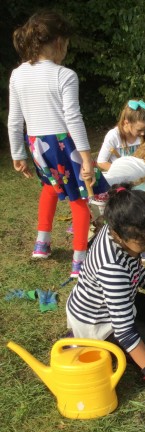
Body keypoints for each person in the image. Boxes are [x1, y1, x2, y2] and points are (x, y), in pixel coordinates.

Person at [8, 11, 109, 278]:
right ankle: (80, 261)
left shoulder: (17, 75)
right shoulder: (64, 75)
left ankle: (42, 244)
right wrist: (87, 158)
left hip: (36, 145)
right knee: (79, 197)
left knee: (50, 188)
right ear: (58, 42)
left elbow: (14, 119)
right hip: (63, 144)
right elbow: (73, 119)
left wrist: (18, 153)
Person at [66, 185, 145, 404]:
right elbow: (124, 331)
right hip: (100, 321)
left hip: (119, 298)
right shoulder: (111, 268)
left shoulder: (119, 227)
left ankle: (137, 321)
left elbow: (132, 265)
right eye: (143, 243)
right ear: (120, 236)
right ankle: (82, 341)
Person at [96, 99, 145, 171]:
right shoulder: (113, 136)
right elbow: (101, 162)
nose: (143, 133)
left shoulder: (141, 136)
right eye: (139, 130)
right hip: (120, 178)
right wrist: (121, 171)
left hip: (138, 176)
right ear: (126, 123)